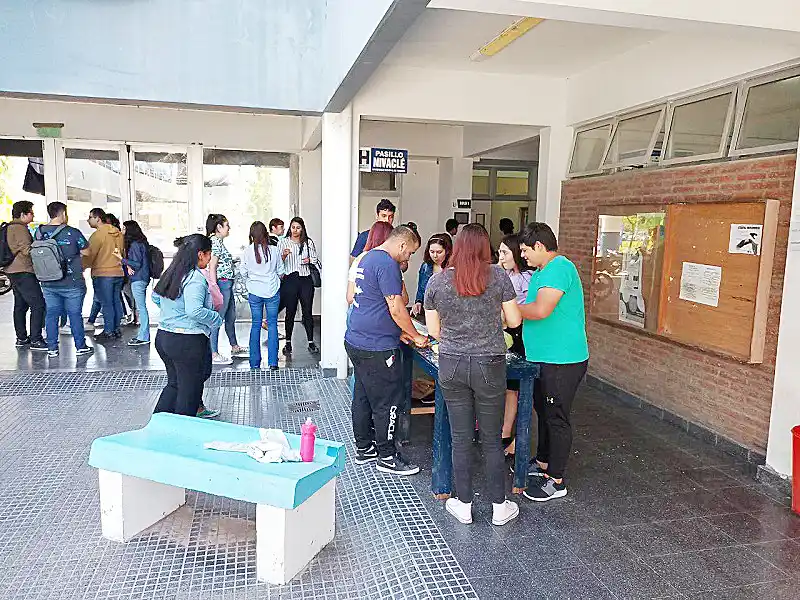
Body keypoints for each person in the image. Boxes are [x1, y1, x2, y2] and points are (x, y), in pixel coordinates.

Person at [424, 223, 522, 526]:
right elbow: (515, 320)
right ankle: (499, 507)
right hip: (489, 364)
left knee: (461, 437)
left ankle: (464, 505)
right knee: (492, 439)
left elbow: (434, 331)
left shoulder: (438, 282)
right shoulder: (499, 276)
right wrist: (495, 324)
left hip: (451, 363)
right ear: (484, 247)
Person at [345, 225, 427, 476]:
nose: (408, 257)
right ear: (402, 245)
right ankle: (387, 456)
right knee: (387, 401)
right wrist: (415, 335)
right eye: (410, 252)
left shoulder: (366, 258)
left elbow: (369, 302)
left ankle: (365, 448)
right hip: (377, 347)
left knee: (362, 396)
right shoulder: (388, 264)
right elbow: (396, 306)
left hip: (356, 340)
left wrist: (399, 331)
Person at [518, 222, 589, 502]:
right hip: (542, 358)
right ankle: (544, 462)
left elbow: (540, 309)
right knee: (544, 412)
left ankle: (556, 480)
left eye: (525, 250)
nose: (523, 255)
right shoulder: (541, 271)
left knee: (556, 417)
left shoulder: (560, 268)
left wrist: (506, 311)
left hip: (562, 359)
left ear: (539, 246)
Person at [152, 234, 223, 417]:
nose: (210, 259)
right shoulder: (195, 278)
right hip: (187, 341)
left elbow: (155, 297)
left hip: (164, 337)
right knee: (188, 391)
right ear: (201, 254)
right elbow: (194, 311)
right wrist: (216, 319)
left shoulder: (173, 272)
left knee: (175, 384)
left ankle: (158, 427)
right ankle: (183, 433)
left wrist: (172, 313)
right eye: (209, 254)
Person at [37, 202, 94, 358]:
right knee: (74, 314)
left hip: (48, 282)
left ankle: (52, 348)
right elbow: (87, 251)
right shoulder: (72, 232)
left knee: (51, 314)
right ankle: (80, 346)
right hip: (72, 282)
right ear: (62, 214)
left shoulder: (39, 232)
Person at [497, 234, 533, 457]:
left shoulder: (528, 279)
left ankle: (518, 440)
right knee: (510, 388)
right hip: (507, 331)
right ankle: (504, 432)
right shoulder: (504, 274)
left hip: (523, 334)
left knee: (524, 389)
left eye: (504, 253)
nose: (500, 257)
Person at [241, 221, 284, 370]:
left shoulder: (247, 252)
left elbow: (243, 272)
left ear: (252, 235)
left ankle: (254, 364)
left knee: (256, 325)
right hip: (272, 290)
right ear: (266, 233)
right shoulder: (274, 250)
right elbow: (281, 272)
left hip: (254, 292)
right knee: (272, 325)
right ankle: (273, 363)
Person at [207, 213, 248, 365]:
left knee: (230, 317)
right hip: (222, 284)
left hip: (227, 284)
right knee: (218, 319)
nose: (229, 228)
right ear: (219, 227)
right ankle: (213, 353)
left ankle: (234, 347)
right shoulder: (215, 242)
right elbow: (212, 266)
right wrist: (214, 287)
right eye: (226, 225)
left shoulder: (219, 242)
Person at [6, 201, 47, 351]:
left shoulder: (9, 227)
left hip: (12, 271)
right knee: (38, 305)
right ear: (23, 214)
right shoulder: (20, 229)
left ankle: (22, 337)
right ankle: (36, 339)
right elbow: (27, 250)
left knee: (21, 305)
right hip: (23, 271)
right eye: (31, 212)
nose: (33, 215)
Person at [277, 217, 320, 355]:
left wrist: (309, 260)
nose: (295, 230)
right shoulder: (283, 242)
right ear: (290, 228)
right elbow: (278, 264)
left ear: (302, 229)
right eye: (293, 227)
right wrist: (283, 256)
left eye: (298, 228)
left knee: (307, 311)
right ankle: (288, 342)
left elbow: (315, 259)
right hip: (290, 279)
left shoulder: (308, 242)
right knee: (290, 311)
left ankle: (311, 342)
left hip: (305, 279)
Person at [83, 207, 124, 341]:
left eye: (90, 217)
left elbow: (90, 254)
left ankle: (108, 332)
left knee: (106, 304)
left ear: (98, 218)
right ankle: (116, 329)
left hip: (102, 274)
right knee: (116, 301)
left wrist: (82, 267)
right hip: (118, 272)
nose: (88, 220)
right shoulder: (118, 233)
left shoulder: (98, 235)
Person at [119, 220, 151, 347]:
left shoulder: (136, 245)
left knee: (141, 308)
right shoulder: (140, 243)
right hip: (141, 278)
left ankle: (144, 336)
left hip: (139, 279)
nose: (122, 231)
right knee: (140, 307)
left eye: (124, 229)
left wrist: (121, 259)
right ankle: (143, 335)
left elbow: (137, 264)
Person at [411, 233, 453, 317]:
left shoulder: (453, 268)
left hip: (449, 313)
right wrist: (418, 302)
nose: (435, 256)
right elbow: (421, 289)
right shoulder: (425, 267)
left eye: (439, 252)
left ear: (447, 251)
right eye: (432, 252)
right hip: (429, 312)